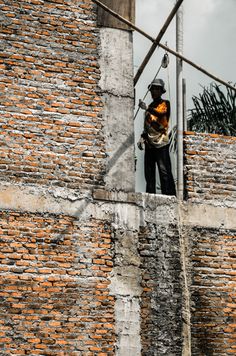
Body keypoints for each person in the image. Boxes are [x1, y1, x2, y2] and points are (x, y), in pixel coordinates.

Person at [137, 78, 176, 196]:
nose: (153, 91)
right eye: (152, 89)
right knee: (149, 173)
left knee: (164, 172)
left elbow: (160, 113)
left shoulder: (165, 104)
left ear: (161, 91)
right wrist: (142, 137)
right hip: (149, 144)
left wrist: (147, 108)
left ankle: (168, 196)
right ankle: (150, 196)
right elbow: (147, 126)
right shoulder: (149, 108)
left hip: (161, 143)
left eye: (156, 89)